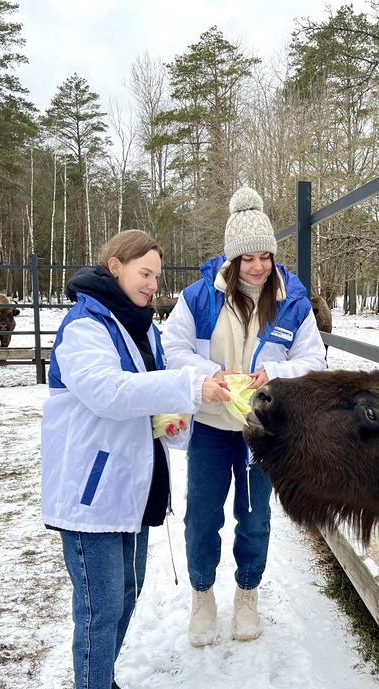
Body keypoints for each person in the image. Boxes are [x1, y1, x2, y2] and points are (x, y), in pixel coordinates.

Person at [40, 229, 231, 689]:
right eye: (144, 273)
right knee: (99, 606)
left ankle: (103, 684)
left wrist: (169, 419)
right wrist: (190, 388)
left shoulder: (139, 327)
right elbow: (108, 391)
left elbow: (143, 398)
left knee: (125, 595)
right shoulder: (84, 326)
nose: (152, 284)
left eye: (157, 276)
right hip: (90, 493)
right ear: (115, 266)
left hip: (131, 486)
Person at [162, 187, 327, 647]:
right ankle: (202, 596)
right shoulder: (197, 298)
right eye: (247, 258)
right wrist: (210, 374)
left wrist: (272, 374)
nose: (257, 267)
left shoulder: (293, 300)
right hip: (212, 426)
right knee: (202, 516)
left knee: (254, 519)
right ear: (231, 260)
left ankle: (248, 594)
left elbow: (315, 362)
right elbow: (170, 349)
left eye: (265, 256)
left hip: (264, 431)